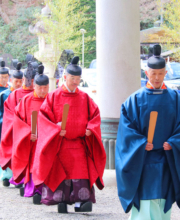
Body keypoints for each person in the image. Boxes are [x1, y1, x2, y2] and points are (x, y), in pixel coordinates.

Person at [32, 56, 106, 213]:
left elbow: (95, 116)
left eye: (78, 78)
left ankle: (82, 201)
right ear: (65, 77)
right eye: (72, 78)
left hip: (78, 143)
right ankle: (61, 201)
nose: (75, 81)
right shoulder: (53, 96)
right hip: (60, 143)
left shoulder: (85, 97)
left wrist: (91, 129)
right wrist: (55, 129)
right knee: (61, 170)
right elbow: (43, 118)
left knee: (81, 169)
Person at [116, 44, 180, 220]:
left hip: (167, 158)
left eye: (161, 73)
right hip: (143, 159)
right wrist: (141, 143)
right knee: (145, 202)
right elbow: (126, 130)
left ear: (166, 73)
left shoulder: (176, 99)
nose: (157, 77)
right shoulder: (134, 100)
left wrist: (174, 142)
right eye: (154, 74)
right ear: (147, 73)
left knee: (162, 202)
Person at [12, 65, 49, 203]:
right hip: (32, 139)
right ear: (34, 85)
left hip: (47, 139)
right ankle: (35, 189)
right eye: (40, 88)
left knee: (46, 162)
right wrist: (27, 133)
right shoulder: (26, 100)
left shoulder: (51, 99)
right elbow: (17, 120)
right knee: (33, 163)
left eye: (45, 87)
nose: (43, 91)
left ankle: (47, 190)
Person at [0, 63, 23, 186]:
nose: (18, 84)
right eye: (16, 81)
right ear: (11, 80)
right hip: (6, 127)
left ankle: (19, 177)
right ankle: (6, 176)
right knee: (7, 150)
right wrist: (9, 122)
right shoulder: (3, 95)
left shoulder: (25, 95)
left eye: (20, 81)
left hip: (21, 129)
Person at [0, 61, 37, 184]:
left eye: (33, 81)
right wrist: (23, 128)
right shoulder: (14, 95)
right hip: (18, 131)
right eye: (28, 80)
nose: (31, 83)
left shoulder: (39, 95)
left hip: (36, 132)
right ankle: (15, 177)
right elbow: (9, 115)